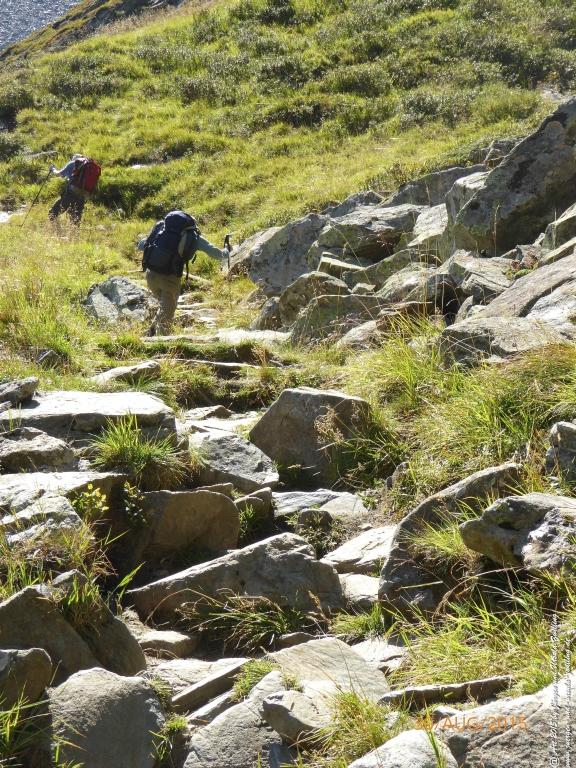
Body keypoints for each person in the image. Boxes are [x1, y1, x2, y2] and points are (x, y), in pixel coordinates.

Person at [138, 210, 231, 336]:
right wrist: (227, 251)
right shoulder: (192, 236)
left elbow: (142, 245)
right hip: (170, 278)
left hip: (151, 275)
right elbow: (216, 254)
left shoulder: (161, 228)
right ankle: (161, 345)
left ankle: (151, 332)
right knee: (167, 315)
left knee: (164, 306)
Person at [48, 154, 101, 226]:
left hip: (71, 193)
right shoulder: (89, 166)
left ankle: (56, 233)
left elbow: (58, 174)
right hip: (83, 195)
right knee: (75, 221)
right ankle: (73, 235)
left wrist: (52, 169)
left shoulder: (73, 163)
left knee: (52, 213)